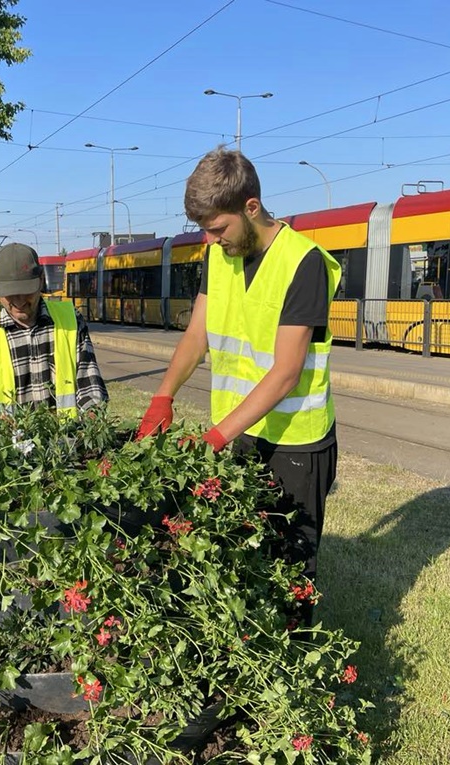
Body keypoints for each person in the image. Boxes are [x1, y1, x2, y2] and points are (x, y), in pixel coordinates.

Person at [136, 148, 341, 624]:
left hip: (296, 444)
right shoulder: (218, 256)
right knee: (240, 556)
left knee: (291, 571)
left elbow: (286, 372)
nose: (211, 239)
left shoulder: (303, 263)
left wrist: (213, 437)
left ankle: (293, 667)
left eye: (218, 228)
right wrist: (163, 395)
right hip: (240, 435)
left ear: (252, 207)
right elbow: (197, 336)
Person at [0, 243, 108, 432]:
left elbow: (92, 391)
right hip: (6, 454)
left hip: (66, 448)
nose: (18, 302)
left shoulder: (71, 322)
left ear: (41, 280)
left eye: (26, 292)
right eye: (10, 294)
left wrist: (89, 426)